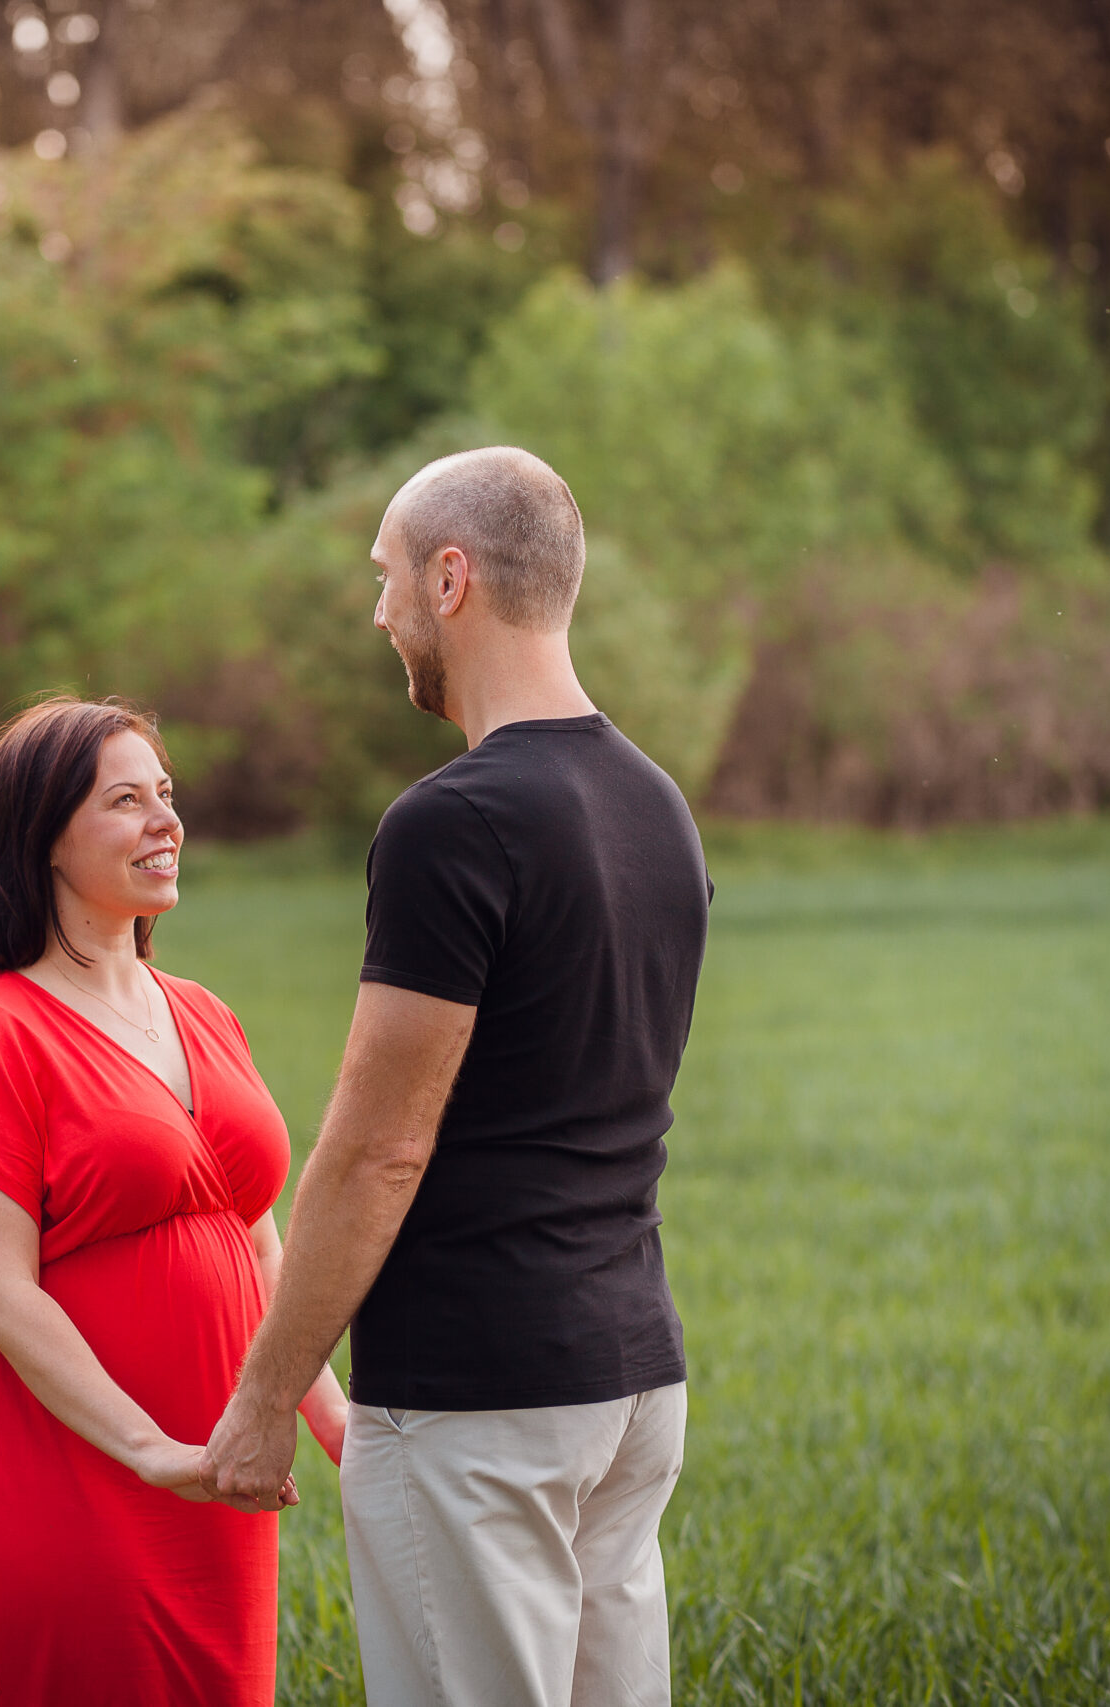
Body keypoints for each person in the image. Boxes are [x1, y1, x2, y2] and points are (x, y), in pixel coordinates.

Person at [202, 447, 713, 1707]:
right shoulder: (655, 803)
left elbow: (379, 1147)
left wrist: (266, 1398)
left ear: (450, 578)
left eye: (385, 577)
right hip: (629, 1382)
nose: (378, 612)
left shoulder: (453, 822)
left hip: (477, 1400)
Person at [0, 695, 352, 1705]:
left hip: (215, 1464)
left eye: (167, 794)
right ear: (45, 837)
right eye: (126, 801)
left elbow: (256, 1242)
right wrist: (152, 1451)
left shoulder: (203, 1012)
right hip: (54, 1462)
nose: (167, 822)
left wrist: (332, 1422)